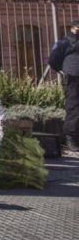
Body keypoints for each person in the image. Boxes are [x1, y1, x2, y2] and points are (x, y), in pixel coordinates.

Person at [48, 21, 79, 153]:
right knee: (74, 107)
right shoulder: (64, 42)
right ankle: (71, 138)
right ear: (72, 28)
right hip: (73, 76)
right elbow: (53, 59)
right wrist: (62, 70)